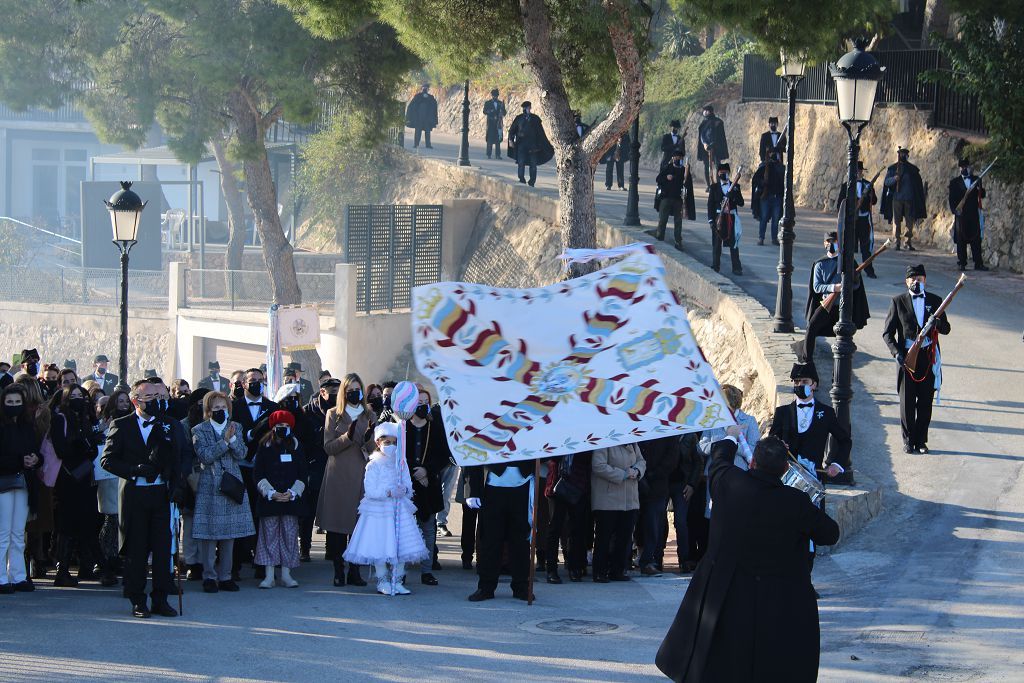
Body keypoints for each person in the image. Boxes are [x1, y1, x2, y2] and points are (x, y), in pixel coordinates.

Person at [656, 432, 840, 682]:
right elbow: (830, 533)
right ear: (785, 469)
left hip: (729, 590)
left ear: (752, 462)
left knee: (724, 657)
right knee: (768, 660)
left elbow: (720, 460)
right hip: (776, 595)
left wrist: (731, 436)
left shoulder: (730, 483)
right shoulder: (795, 501)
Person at [100, 377, 187, 618]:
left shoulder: (171, 425)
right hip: (135, 493)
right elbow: (107, 460)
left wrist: (178, 483)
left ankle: (161, 598)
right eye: (151, 398)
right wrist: (134, 469)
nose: (157, 403)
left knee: (162, 549)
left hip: (161, 493)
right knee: (137, 550)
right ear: (136, 401)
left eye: (160, 398)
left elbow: (182, 456)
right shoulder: (122, 424)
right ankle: (137, 598)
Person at [345, 422, 429, 596]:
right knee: (380, 545)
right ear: (378, 443)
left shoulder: (402, 464)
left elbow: (408, 485)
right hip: (379, 511)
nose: (391, 446)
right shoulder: (373, 465)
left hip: (399, 510)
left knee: (401, 545)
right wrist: (389, 492)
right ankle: (382, 580)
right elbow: (370, 491)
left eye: (395, 442)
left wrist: (404, 490)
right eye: (387, 443)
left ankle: (397, 580)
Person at [882, 264, 952, 454]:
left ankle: (921, 441)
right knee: (907, 401)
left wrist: (937, 323)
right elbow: (888, 334)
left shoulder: (936, 301)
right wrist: (897, 353)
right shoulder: (897, 301)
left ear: (925, 280)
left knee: (925, 401)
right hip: (907, 355)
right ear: (906, 282)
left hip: (927, 355)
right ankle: (908, 440)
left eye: (919, 278)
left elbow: (946, 328)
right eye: (912, 279)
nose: (916, 281)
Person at [190, 391, 254, 593]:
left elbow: (242, 453)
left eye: (223, 408)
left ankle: (226, 575)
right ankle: (209, 576)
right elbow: (205, 456)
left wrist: (233, 440)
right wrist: (224, 442)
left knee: (229, 535)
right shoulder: (199, 430)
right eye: (216, 408)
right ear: (208, 410)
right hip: (210, 485)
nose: (220, 411)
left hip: (232, 484)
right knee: (209, 535)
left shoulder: (237, 427)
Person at [318, 372, 374, 587]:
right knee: (337, 526)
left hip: (361, 473)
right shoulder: (334, 413)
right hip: (338, 474)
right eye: (350, 390)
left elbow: (374, 448)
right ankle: (338, 570)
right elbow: (328, 447)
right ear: (344, 392)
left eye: (357, 390)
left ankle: (355, 571)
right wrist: (347, 437)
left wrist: (369, 440)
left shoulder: (369, 414)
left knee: (358, 526)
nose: (354, 394)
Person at [50, 384, 105, 586]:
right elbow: (62, 450)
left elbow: (89, 448)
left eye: (80, 395)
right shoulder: (60, 419)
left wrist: (87, 445)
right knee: (67, 525)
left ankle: (88, 566)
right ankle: (62, 571)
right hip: (67, 479)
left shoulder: (84, 419)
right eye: (72, 395)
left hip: (84, 477)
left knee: (86, 523)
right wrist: (81, 446)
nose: (77, 399)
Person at [465, 457, 537, 602]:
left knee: (521, 540)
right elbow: (473, 453)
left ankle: (521, 586)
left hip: (523, 485)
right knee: (490, 540)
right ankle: (486, 587)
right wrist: (472, 490)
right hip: (493, 486)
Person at [769, 363, 851, 487]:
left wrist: (837, 464)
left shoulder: (827, 413)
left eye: (804, 381)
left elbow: (845, 441)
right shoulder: (782, 412)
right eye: (796, 382)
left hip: (815, 479)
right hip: (785, 479)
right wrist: (778, 445)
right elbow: (771, 441)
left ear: (814, 384)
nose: (800, 385)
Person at [230, 367, 277, 581]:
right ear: (244, 384)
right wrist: (250, 433)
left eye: (260, 380)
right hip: (240, 466)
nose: (256, 383)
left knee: (262, 515)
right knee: (239, 513)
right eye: (252, 380)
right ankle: (236, 562)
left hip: (264, 468)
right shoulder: (234, 407)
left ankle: (261, 561)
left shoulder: (271, 407)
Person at [795, 231, 870, 364]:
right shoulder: (820, 264)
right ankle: (807, 361)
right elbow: (817, 287)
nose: (831, 244)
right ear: (824, 243)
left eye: (834, 241)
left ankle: (844, 363)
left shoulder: (848, 262)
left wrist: (850, 283)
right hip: (826, 305)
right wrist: (834, 288)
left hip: (843, 306)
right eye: (828, 241)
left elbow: (856, 287)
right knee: (812, 326)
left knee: (844, 334)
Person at [253, 410, 307, 589]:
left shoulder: (297, 446)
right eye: (278, 426)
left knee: (290, 536)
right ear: (272, 427)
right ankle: (269, 575)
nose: (282, 429)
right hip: (270, 501)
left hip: (291, 501)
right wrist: (271, 493)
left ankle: (286, 574)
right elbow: (258, 473)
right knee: (268, 537)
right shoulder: (264, 446)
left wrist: (293, 493)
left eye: (285, 426)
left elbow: (303, 473)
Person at [402, 388, 450, 584]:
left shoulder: (436, 427)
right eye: (418, 402)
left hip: (429, 485)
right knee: (405, 530)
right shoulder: (403, 428)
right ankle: (401, 570)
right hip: (407, 486)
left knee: (428, 530)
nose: (422, 405)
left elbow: (444, 455)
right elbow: (399, 456)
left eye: (425, 402)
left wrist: (427, 471)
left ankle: (427, 570)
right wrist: (415, 472)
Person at [0, 384, 41, 593]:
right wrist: (19, 461)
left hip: (24, 483)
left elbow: (37, 450)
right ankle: (1, 577)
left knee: (18, 532)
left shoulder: (27, 426)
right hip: (4, 484)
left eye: (17, 402)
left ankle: (18, 576)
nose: (14, 406)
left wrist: (36, 458)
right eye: (10, 402)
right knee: (3, 533)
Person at [589, 443, 645, 583]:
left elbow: (642, 461)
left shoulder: (633, 442)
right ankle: (599, 572)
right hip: (607, 499)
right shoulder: (605, 441)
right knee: (604, 538)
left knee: (624, 537)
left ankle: (617, 571)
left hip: (630, 500)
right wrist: (623, 474)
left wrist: (637, 471)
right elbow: (598, 466)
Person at [299, 376, 339, 562]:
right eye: (332, 393)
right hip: (314, 466)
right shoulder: (307, 413)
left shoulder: (341, 412)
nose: (336, 396)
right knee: (309, 511)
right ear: (322, 392)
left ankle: (331, 549)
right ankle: (305, 548)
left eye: (339, 393)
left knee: (332, 509)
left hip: (336, 466)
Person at [96, 388, 132, 586]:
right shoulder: (105, 424)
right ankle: (106, 563)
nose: (124, 405)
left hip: (125, 477)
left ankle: (121, 560)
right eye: (120, 401)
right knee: (111, 521)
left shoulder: (133, 423)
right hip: (108, 478)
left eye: (127, 401)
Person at [543, 450, 591, 583]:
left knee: (577, 529)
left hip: (580, 485)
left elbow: (589, 458)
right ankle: (551, 569)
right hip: (558, 485)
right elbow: (550, 455)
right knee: (555, 528)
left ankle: (574, 567)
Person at [637, 437, 678, 577]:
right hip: (634, 481)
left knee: (653, 525)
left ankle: (649, 560)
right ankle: (622, 562)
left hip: (657, 485)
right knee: (629, 524)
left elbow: (672, 458)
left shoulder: (667, 432)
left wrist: (654, 474)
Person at [667, 433, 702, 573]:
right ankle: (655, 559)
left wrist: (692, 484)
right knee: (656, 520)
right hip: (662, 483)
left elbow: (698, 462)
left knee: (681, 522)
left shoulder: (690, 436)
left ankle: (684, 559)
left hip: (683, 485)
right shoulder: (662, 431)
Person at [838, 161, 879, 278]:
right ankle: (848, 269)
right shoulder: (846, 186)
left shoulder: (868, 184)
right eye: (856, 171)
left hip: (864, 220)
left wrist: (870, 194)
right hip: (852, 221)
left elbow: (874, 201)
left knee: (866, 247)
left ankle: (869, 270)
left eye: (860, 171)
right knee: (849, 246)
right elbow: (840, 205)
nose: (858, 173)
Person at [881, 146, 926, 251]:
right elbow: (887, 182)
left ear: (907, 156)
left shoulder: (912, 170)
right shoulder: (893, 169)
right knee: (896, 222)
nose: (903, 156)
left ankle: (907, 242)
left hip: (909, 199)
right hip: (896, 198)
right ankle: (897, 242)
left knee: (909, 222)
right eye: (901, 154)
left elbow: (918, 185)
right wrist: (894, 179)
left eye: (904, 155)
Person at [949, 158, 989, 272]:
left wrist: (979, 189)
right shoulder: (954, 182)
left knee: (976, 239)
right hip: (961, 214)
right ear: (960, 168)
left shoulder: (976, 179)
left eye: (966, 167)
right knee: (961, 240)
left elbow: (982, 195)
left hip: (973, 214)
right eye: (963, 167)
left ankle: (978, 263)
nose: (965, 169)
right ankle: (962, 262)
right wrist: (955, 211)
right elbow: (951, 199)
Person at [654, 149, 695, 251]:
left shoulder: (684, 170)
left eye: (680, 158)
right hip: (666, 197)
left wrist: (686, 176)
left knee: (678, 221)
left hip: (678, 199)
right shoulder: (668, 168)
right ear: (673, 158)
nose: (678, 159)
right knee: (663, 219)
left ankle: (678, 241)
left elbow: (688, 185)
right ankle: (660, 236)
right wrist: (666, 177)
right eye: (676, 158)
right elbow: (658, 179)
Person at [707, 163, 744, 275]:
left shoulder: (735, 186)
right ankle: (715, 266)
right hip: (719, 217)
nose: (724, 174)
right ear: (718, 174)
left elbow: (741, 203)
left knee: (734, 244)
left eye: (726, 172)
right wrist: (711, 220)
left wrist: (734, 194)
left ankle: (736, 268)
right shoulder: (714, 187)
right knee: (717, 244)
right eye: (722, 172)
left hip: (731, 217)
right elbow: (710, 205)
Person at [507, 101, 553, 187]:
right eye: (526, 108)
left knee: (533, 164)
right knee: (521, 163)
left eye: (528, 108)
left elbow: (541, 133)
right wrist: (511, 140)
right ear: (523, 109)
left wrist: (543, 144)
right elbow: (512, 130)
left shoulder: (535, 119)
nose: (527, 109)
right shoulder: (519, 118)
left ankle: (532, 182)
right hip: (521, 144)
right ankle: (521, 179)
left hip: (533, 145)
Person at [751, 150, 784, 246]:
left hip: (777, 197)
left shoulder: (781, 168)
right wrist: (763, 183)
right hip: (766, 197)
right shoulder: (764, 167)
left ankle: (774, 239)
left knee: (775, 219)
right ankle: (761, 238)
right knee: (764, 218)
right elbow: (755, 179)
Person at [696, 104, 728, 189]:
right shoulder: (703, 123)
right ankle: (708, 185)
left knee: (718, 166)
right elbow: (702, 135)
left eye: (707, 110)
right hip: (705, 148)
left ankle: (717, 184)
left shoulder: (718, 122)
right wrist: (705, 144)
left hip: (716, 148)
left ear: (711, 112)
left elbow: (719, 137)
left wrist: (712, 145)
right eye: (704, 110)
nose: (705, 112)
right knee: (706, 166)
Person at [405, 83, 437, 149]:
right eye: (424, 87)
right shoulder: (418, 96)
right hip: (418, 118)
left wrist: (432, 118)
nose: (425, 89)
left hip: (427, 118)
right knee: (418, 131)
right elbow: (411, 106)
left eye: (426, 88)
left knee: (427, 132)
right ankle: (416, 144)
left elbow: (434, 108)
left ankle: (428, 145)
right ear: (422, 88)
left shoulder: (431, 97)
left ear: (428, 89)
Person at [483, 89, 507, 159]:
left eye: (496, 96)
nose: (495, 97)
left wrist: (502, 112)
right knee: (490, 140)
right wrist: (491, 111)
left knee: (498, 140)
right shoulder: (487, 103)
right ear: (492, 95)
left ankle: (498, 155)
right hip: (490, 123)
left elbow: (504, 113)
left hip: (498, 123)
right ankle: (489, 154)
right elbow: (484, 111)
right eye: (493, 95)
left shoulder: (500, 103)